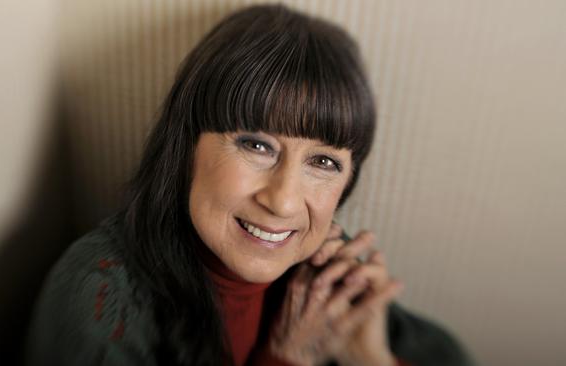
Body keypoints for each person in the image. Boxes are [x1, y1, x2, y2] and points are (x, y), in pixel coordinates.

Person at [25, 4, 476, 366]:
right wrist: (285, 358)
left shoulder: (321, 280)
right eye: (256, 146)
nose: (281, 201)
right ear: (187, 146)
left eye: (323, 161)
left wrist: (369, 357)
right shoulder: (98, 295)